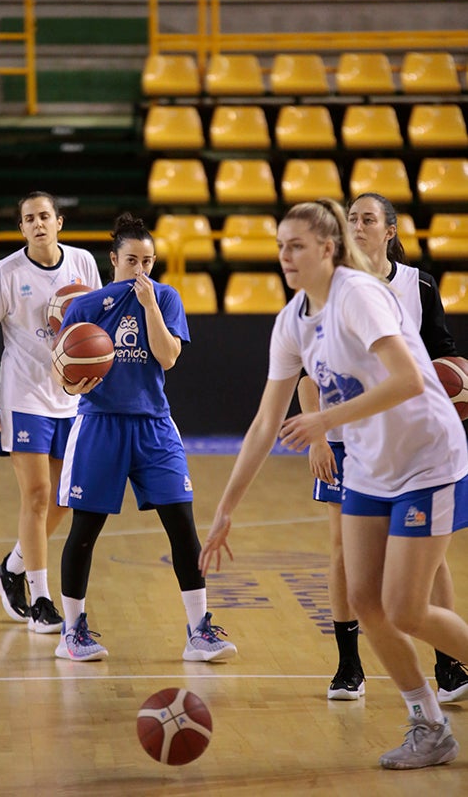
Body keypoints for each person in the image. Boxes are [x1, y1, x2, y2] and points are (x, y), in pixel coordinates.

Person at [199, 198, 468, 770]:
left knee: (405, 608)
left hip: (426, 456)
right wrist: (224, 510)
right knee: (366, 600)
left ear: (327, 247)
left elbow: (409, 382)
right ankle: (429, 723)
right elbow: (265, 422)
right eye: (279, 247)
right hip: (371, 464)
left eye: (295, 246)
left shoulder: (360, 295)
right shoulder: (293, 319)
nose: (284, 257)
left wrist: (325, 420)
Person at [299, 191, 468, 703]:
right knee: (343, 552)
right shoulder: (329, 290)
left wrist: (460, 383)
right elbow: (310, 372)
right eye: (351, 219)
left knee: (429, 563)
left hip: (410, 441)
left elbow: (444, 357)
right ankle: (349, 666)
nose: (358, 226)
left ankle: (450, 666)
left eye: (368, 219)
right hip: (348, 435)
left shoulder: (416, 285)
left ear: (390, 230)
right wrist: (319, 435)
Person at [51, 212, 237, 663]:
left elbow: (168, 357)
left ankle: (198, 631)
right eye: (132, 260)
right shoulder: (85, 307)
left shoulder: (167, 298)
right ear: (113, 259)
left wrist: (150, 305)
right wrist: (75, 382)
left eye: (148, 261)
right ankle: (72, 631)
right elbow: (63, 377)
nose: (141, 270)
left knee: (182, 526)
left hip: (154, 426)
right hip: (100, 425)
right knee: (84, 530)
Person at [0, 191, 102, 633]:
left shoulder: (83, 263)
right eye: (29, 218)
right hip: (23, 395)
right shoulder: (5, 273)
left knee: (66, 497)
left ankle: (10, 567)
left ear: (59, 222)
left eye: (45, 215)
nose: (39, 223)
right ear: (22, 227)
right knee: (38, 495)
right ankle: (41, 598)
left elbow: (95, 327)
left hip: (71, 396)